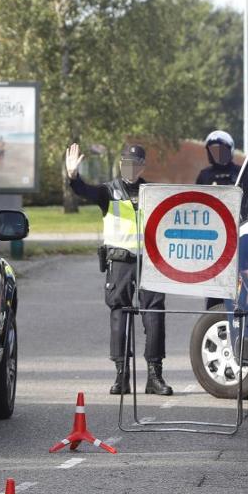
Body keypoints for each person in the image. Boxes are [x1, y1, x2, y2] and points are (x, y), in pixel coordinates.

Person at [65, 142, 172, 396]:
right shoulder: (108, 191)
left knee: (154, 314)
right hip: (120, 261)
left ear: (143, 166)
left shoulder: (152, 192)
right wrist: (73, 176)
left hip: (149, 261)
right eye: (126, 163)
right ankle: (121, 376)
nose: (131, 168)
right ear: (120, 164)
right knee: (119, 314)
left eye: (136, 164)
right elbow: (84, 191)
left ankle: (154, 376)